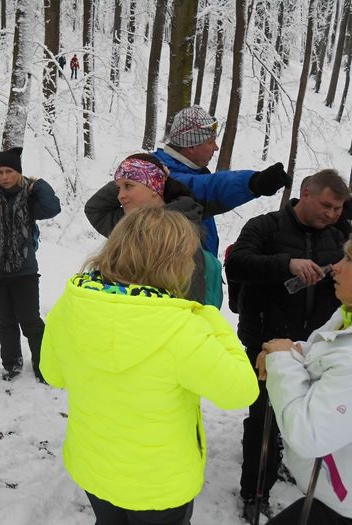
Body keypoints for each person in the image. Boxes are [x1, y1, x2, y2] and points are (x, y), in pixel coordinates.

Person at [40, 206, 259, 525]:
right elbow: (241, 391)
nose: (191, 264)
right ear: (170, 263)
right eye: (188, 256)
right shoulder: (183, 328)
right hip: (159, 486)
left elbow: (53, 374)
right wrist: (210, 316)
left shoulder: (71, 306)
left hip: (94, 467)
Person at [225, 169, 349, 521]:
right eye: (326, 205)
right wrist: (286, 264)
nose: (332, 214)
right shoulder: (265, 226)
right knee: (263, 419)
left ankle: (290, 465)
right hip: (267, 341)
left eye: (338, 208)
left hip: (314, 347)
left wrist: (330, 277)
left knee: (304, 415)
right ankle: (255, 491)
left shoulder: (338, 235)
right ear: (305, 194)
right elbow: (237, 264)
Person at [256, 238, 352, 525]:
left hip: (340, 502)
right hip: (329, 491)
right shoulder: (345, 315)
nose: (335, 267)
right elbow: (324, 355)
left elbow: (309, 436)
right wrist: (288, 350)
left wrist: (282, 359)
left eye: (349, 260)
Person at [0, 147, 61, 382]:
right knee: (5, 321)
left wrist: (38, 184)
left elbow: (53, 208)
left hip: (24, 270)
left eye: (10, 171)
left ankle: (43, 365)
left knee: (30, 321)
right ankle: (11, 363)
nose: (4, 177)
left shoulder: (29, 196)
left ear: (18, 172)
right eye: (0, 172)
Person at [84, 152, 222, 307]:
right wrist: (125, 178)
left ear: (155, 187)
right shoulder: (128, 223)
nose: (120, 196)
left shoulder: (180, 231)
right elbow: (95, 209)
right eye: (118, 188)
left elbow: (192, 299)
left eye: (128, 186)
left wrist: (154, 175)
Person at [154, 105, 291, 256]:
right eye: (210, 142)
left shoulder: (188, 170)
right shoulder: (162, 175)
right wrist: (253, 182)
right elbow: (205, 187)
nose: (216, 148)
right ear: (191, 146)